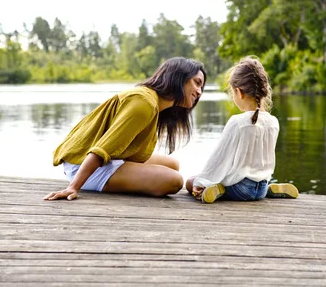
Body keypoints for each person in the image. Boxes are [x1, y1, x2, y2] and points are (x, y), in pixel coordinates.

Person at [44, 57, 206, 201]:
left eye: (202, 87)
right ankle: (87, 180)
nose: (199, 92)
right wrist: (73, 187)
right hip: (81, 164)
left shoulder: (155, 103)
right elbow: (101, 149)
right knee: (174, 181)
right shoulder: (144, 103)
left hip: (102, 159)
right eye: (196, 83)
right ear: (178, 78)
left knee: (172, 164)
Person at [186, 56, 298, 204]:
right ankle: (268, 189)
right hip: (261, 186)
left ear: (239, 92)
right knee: (256, 185)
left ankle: (220, 190)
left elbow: (219, 159)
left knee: (191, 181)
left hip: (240, 189)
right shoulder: (273, 122)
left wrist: (202, 182)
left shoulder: (237, 122)